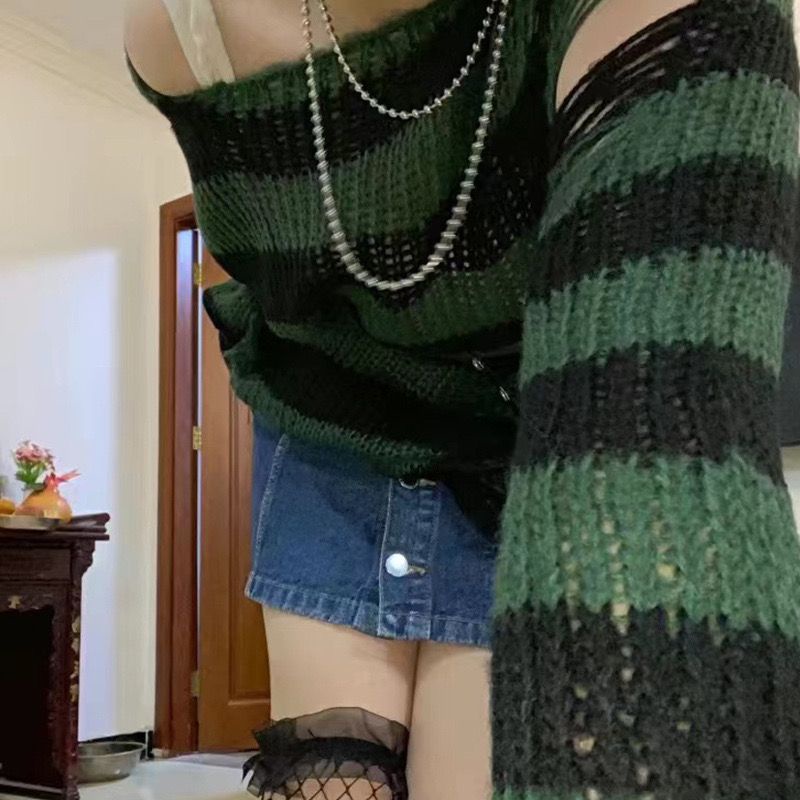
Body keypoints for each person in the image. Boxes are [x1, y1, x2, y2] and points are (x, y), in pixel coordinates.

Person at [125, 0, 800, 797]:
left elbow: (671, 429)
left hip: (528, 447)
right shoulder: (182, 31)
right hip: (328, 435)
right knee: (324, 778)